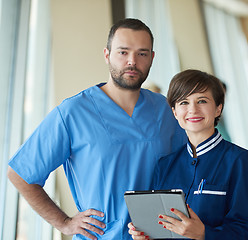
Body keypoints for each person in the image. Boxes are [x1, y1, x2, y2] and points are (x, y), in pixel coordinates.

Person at [7, 18, 186, 240]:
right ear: (107, 54)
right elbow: (20, 174)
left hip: (158, 236)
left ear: (152, 58)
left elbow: (187, 169)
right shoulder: (73, 112)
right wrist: (64, 223)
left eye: (142, 53)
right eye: (123, 52)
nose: (132, 61)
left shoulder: (165, 109)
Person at [128, 69, 248, 240]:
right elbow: (163, 227)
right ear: (174, 112)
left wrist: (204, 234)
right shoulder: (164, 165)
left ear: (218, 108)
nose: (193, 110)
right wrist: (146, 235)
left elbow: (243, 233)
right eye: (183, 102)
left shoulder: (240, 160)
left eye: (202, 101)